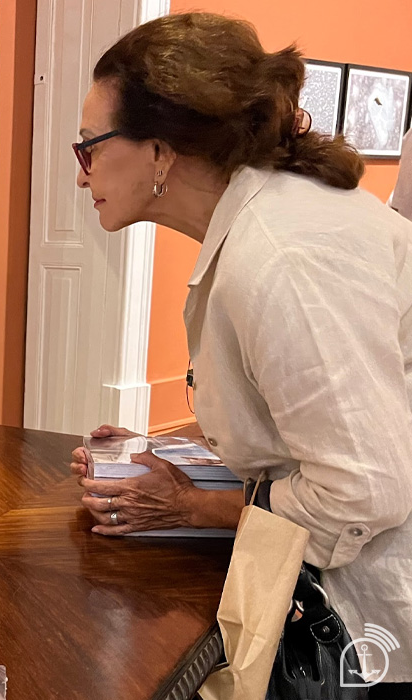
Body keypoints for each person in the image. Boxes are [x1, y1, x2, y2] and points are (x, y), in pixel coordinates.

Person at [66, 14, 412, 693]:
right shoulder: (273, 222)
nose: (82, 178)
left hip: (360, 622)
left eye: (89, 149)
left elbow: (362, 493)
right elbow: (299, 415)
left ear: (162, 151)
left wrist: (188, 506)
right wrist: (169, 447)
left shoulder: (283, 259)